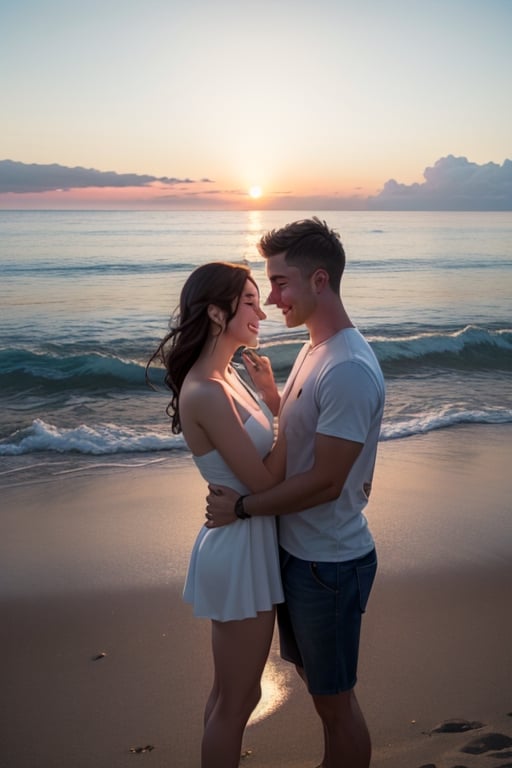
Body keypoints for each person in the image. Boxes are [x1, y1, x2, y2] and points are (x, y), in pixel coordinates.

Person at [206, 218, 385, 768]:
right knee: (323, 691)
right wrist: (273, 398)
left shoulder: (349, 366)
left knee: (334, 705)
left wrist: (242, 507)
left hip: (328, 564)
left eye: (280, 283)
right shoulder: (315, 348)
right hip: (302, 556)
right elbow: (310, 436)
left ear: (320, 281)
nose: (273, 298)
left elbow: (327, 480)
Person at [146, 262, 286, 768]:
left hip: (249, 537)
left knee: (236, 696)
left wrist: (271, 400)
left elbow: (263, 468)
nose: (261, 310)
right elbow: (267, 481)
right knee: (235, 703)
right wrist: (287, 410)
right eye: (249, 301)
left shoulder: (227, 375)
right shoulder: (205, 390)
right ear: (215, 311)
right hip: (237, 548)